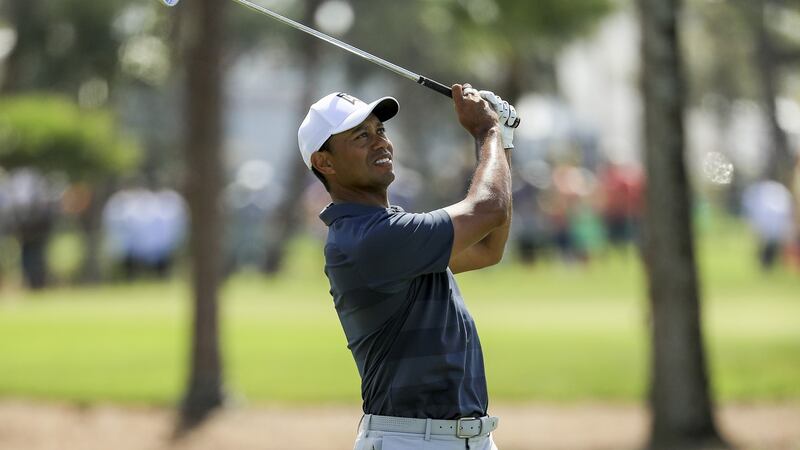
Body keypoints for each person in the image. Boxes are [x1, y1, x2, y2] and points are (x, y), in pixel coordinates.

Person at [297, 84, 518, 450]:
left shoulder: (391, 229)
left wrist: (503, 139)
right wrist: (488, 131)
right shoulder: (368, 239)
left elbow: (486, 248)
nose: (380, 142)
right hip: (412, 440)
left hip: (466, 439)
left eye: (380, 131)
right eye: (361, 136)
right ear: (325, 163)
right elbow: (489, 210)